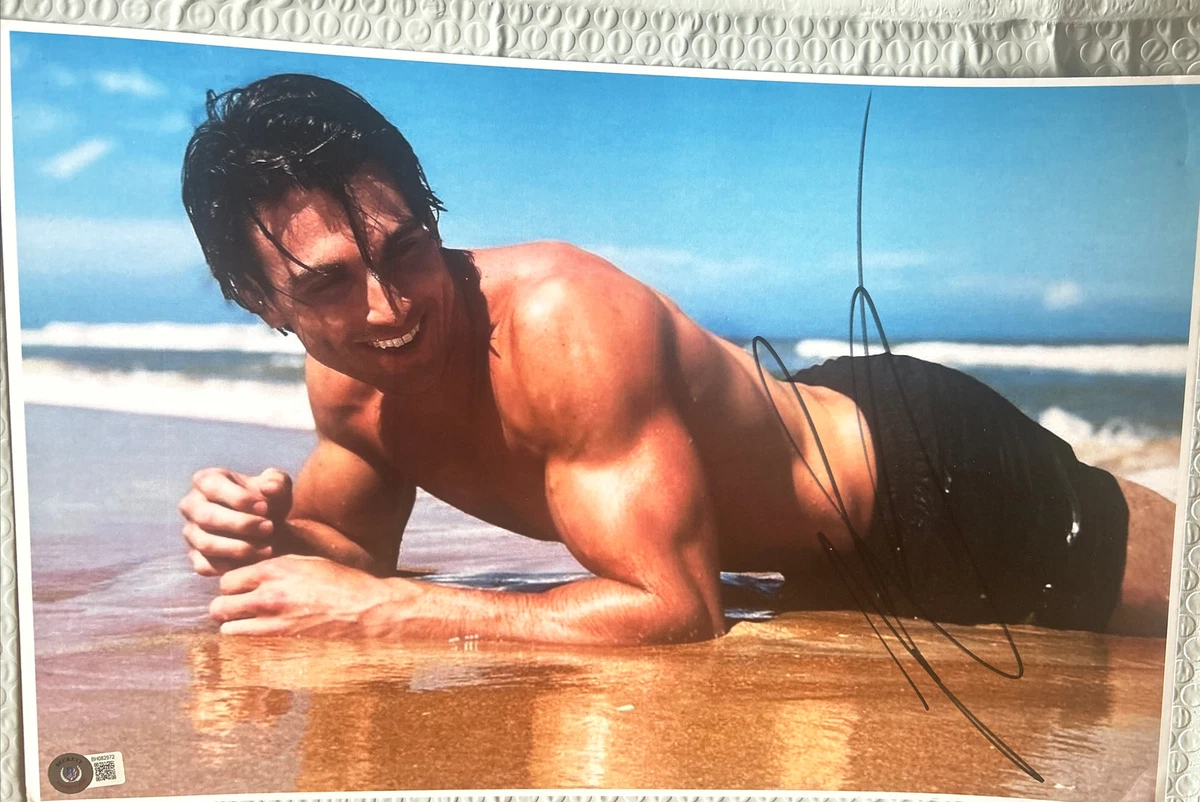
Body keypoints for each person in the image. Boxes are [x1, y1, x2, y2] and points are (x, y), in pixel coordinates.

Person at [177, 74, 1173, 644]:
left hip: (921, 479)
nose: (389, 306)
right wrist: (258, 530)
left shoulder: (562, 323)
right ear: (258, 301)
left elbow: (676, 609)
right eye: (327, 284)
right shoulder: (348, 384)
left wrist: (392, 611)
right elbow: (345, 553)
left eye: (406, 250)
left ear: (431, 216)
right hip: (798, 481)